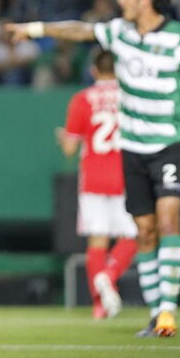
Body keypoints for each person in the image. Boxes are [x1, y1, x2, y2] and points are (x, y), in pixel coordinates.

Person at [6, 0, 180, 337]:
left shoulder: (179, 40)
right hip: (131, 148)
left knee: (167, 221)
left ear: (145, 0)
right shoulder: (120, 33)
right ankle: (154, 313)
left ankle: (167, 312)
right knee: (144, 232)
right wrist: (36, 29)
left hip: (170, 144)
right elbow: (81, 31)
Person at [56, 49, 137, 319]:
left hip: (93, 176)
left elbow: (69, 148)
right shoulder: (132, 98)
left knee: (97, 240)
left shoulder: (82, 99)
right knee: (132, 235)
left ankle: (99, 305)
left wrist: (62, 138)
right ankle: (110, 274)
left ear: (93, 70)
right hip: (126, 175)